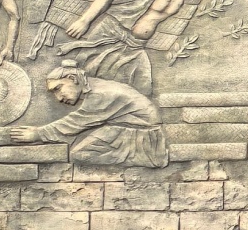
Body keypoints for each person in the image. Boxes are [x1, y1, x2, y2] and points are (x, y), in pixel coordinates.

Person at [33, 65, 169, 168]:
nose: (59, 98)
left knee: (79, 155)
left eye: (58, 89)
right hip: (121, 130)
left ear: (72, 78)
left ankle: (150, 159)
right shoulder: (95, 86)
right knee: (79, 151)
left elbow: (76, 122)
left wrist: (39, 134)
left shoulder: (101, 94)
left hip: (144, 139)